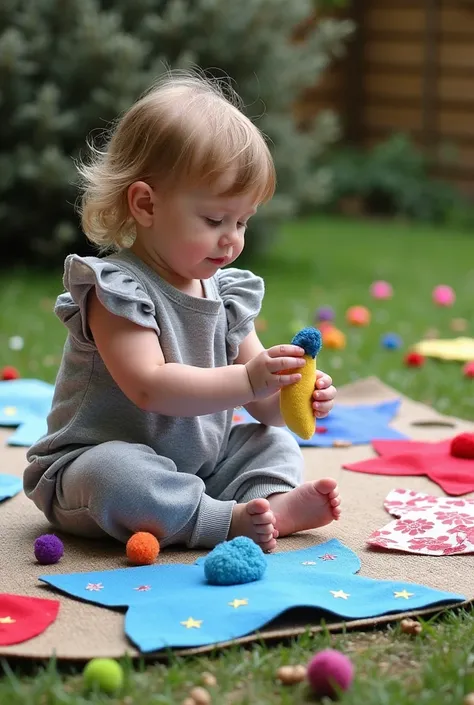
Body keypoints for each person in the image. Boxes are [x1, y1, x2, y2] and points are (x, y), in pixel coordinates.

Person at [24, 71, 340, 552]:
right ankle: (221, 521)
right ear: (146, 204)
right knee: (118, 473)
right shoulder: (117, 290)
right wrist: (250, 379)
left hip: (198, 463)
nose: (232, 238)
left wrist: (287, 395)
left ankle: (268, 503)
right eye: (214, 219)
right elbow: (150, 386)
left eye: (242, 221)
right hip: (87, 470)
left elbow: (261, 405)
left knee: (266, 440)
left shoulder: (226, 293)